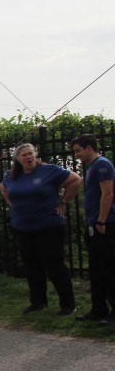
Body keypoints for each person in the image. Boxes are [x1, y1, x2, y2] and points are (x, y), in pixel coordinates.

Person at [0, 143, 81, 315]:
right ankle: (38, 303)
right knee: (32, 265)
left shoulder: (49, 170)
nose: (28, 157)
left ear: (35, 155)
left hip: (49, 225)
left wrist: (63, 202)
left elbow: (76, 180)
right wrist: (14, 206)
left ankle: (68, 304)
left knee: (54, 264)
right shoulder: (11, 175)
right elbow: (4, 189)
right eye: (24, 155)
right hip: (22, 227)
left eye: (31, 154)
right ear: (18, 159)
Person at [71, 134, 114, 326]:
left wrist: (101, 221)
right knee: (96, 269)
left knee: (109, 269)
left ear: (89, 147)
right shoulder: (92, 167)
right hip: (93, 225)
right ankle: (98, 309)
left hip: (105, 224)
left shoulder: (103, 165)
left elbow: (108, 194)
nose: (77, 155)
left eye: (78, 151)